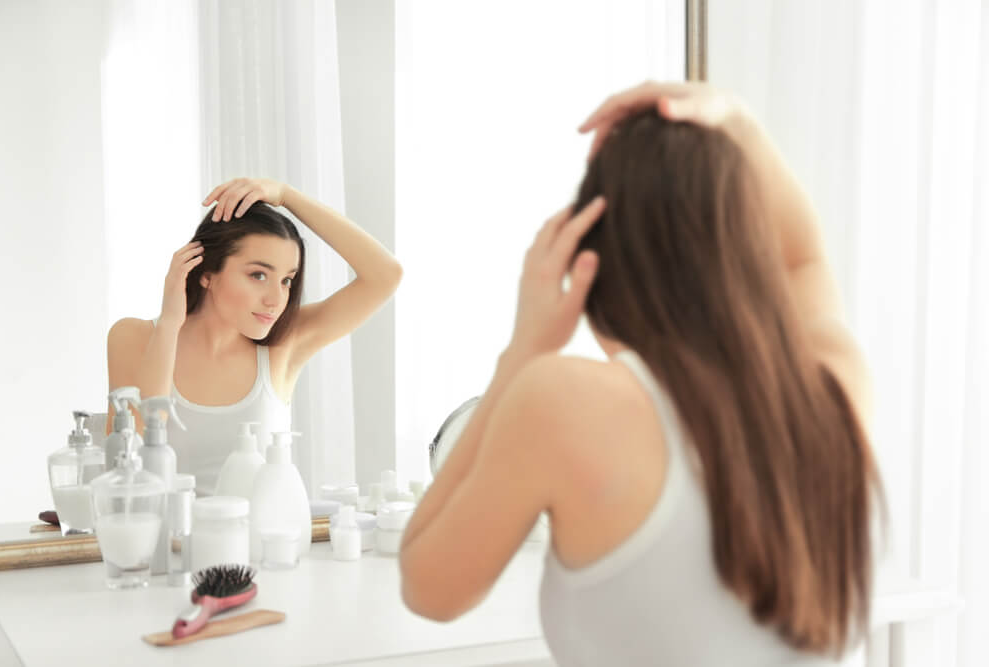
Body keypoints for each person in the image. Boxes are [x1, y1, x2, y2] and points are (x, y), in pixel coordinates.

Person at [398, 82, 884, 665]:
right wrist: (737, 120)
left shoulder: (564, 402)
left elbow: (429, 589)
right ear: (750, 250)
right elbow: (806, 257)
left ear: (592, 259)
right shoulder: (833, 386)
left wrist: (525, 347)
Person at [107, 178, 402, 495]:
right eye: (258, 275)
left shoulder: (284, 345)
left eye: (287, 280)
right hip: (164, 543)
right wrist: (169, 325)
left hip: (262, 542)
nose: (276, 299)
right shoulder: (133, 336)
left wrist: (287, 195)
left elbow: (385, 275)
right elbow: (130, 461)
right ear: (206, 273)